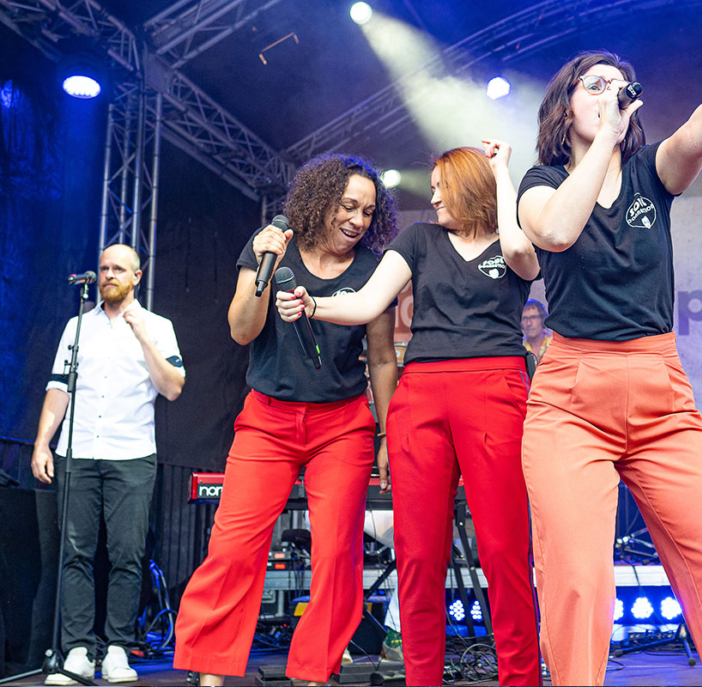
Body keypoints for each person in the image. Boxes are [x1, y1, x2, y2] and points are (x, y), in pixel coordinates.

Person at [515, 13, 702, 686]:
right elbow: (557, 231)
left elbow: (698, 130)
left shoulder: (651, 174)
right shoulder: (540, 183)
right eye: (594, 86)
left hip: (661, 393)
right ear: (565, 107)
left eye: (619, 86)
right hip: (570, 397)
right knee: (578, 580)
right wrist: (605, 140)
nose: (610, 94)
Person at [277, 141, 542, 686]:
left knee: (504, 550)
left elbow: (522, 252)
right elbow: (367, 301)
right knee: (418, 555)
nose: (434, 197)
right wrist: (313, 304)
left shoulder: (513, 239)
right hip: (420, 395)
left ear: (471, 187)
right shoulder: (419, 240)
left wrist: (501, 172)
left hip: (495, 387)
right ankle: (422, 677)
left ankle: (520, 678)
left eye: (443, 188)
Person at [173, 154, 399, 686]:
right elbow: (242, 332)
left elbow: (382, 358)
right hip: (267, 420)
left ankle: (315, 673)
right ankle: (209, 673)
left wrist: (388, 435)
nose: (357, 220)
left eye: (368, 211)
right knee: (233, 548)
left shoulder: (374, 269)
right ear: (321, 200)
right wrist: (265, 269)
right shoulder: (273, 246)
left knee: (336, 555)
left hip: (341, 425)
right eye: (348, 206)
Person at [32, 244, 186, 685]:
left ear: (137, 276)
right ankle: (78, 650)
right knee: (74, 554)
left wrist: (143, 337)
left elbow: (173, 387)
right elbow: (58, 388)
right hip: (78, 451)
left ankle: (117, 648)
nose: (108, 275)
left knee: (126, 554)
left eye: (118, 268)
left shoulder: (158, 326)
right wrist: (43, 443)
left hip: (131, 454)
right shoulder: (77, 327)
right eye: (103, 269)